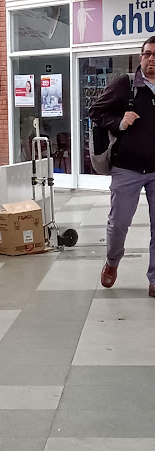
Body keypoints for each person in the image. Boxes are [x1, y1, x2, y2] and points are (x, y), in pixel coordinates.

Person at [90, 36, 155, 297]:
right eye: (147, 54)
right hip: (126, 169)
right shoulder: (126, 84)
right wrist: (119, 121)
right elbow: (95, 111)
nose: (151, 59)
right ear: (140, 57)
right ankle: (112, 262)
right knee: (118, 224)